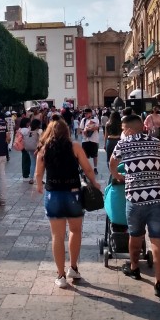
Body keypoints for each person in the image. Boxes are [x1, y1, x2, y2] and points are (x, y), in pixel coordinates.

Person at [35, 117, 100, 288]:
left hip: (53, 194)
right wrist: (95, 183)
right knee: (75, 231)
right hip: (73, 193)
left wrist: (39, 186)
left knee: (57, 236)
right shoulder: (75, 147)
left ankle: (61, 275)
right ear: (66, 131)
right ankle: (73, 267)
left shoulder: (44, 149)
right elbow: (87, 168)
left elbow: (38, 174)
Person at [110, 114, 160, 298]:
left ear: (128, 129)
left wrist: (119, 176)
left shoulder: (123, 143)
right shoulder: (155, 142)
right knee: (158, 240)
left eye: (122, 128)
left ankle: (134, 267)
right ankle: (159, 282)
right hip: (158, 197)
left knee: (135, 236)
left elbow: (113, 163)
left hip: (135, 198)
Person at [79, 108, 100, 174]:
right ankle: (84, 168)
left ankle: (95, 168)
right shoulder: (83, 120)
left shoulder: (95, 119)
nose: (85, 114)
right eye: (85, 113)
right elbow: (80, 129)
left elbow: (97, 127)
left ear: (90, 113)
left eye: (87, 113)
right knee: (84, 155)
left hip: (93, 140)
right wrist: (83, 131)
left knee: (94, 155)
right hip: (85, 140)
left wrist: (90, 129)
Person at [22, 119, 42, 184]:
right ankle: (39, 179)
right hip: (37, 149)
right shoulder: (39, 131)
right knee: (39, 164)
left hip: (30, 148)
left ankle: (31, 178)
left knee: (32, 163)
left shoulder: (29, 131)